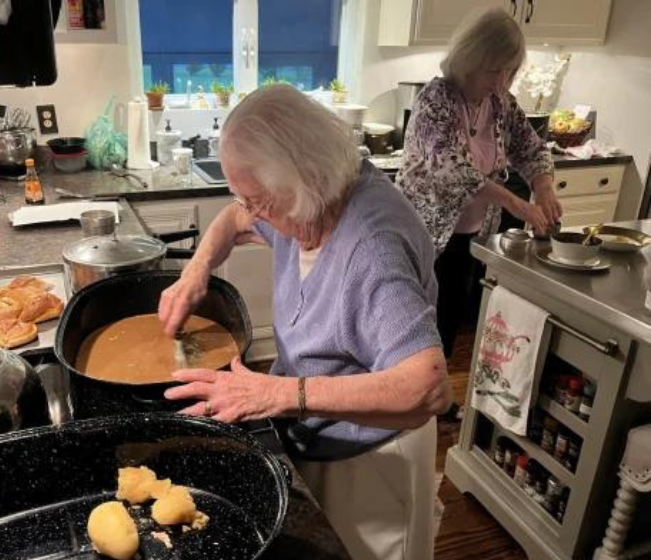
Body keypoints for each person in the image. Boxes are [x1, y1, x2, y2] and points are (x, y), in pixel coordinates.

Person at [158, 84, 451, 560]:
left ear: (303, 179)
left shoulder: (372, 250)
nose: (253, 213)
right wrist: (197, 269)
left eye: (259, 201)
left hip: (371, 458)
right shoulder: (310, 197)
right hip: (315, 431)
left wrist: (276, 394)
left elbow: (429, 387)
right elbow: (234, 219)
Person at [397, 8, 562, 359]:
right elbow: (451, 169)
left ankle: (434, 401)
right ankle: (407, 401)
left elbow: (531, 147)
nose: (503, 80)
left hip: (471, 235)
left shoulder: (500, 102)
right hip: (423, 235)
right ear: (470, 59)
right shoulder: (435, 100)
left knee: (449, 319)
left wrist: (544, 185)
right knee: (414, 323)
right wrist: (516, 203)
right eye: (495, 69)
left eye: (510, 70)